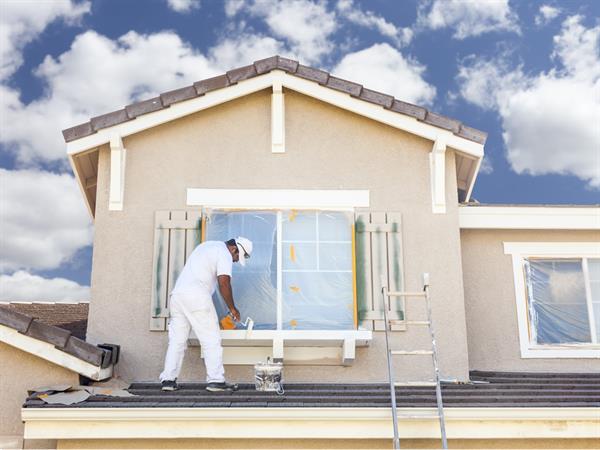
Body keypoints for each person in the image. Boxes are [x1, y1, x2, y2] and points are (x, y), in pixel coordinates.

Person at [159, 237, 253, 392]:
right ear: (234, 249)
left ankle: (168, 380)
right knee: (211, 339)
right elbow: (224, 282)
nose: (236, 261)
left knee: (177, 340)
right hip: (197, 297)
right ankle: (216, 380)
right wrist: (233, 308)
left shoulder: (206, 246)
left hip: (177, 296)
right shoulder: (224, 253)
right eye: (237, 257)